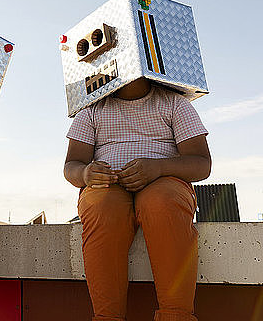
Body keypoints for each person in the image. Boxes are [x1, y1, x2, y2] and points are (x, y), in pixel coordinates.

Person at [64, 77, 211, 321]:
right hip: (107, 187)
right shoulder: (90, 111)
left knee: (162, 203)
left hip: (165, 181)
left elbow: (202, 164)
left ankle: (176, 315)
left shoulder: (176, 104)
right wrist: (85, 173)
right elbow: (71, 166)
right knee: (100, 207)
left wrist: (158, 168)